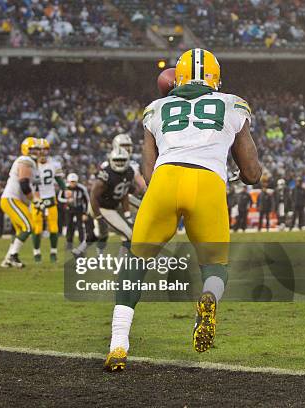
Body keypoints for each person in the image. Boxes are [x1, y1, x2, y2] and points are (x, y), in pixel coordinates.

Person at [105, 48, 262, 372]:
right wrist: (240, 173)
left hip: (165, 179)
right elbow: (251, 171)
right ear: (215, 77)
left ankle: (118, 345)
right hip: (207, 183)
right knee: (215, 266)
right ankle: (208, 299)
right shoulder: (232, 103)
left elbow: (147, 174)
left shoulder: (156, 108)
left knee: (135, 262)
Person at [0, 137, 40, 268]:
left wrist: (37, 200)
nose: (36, 152)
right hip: (12, 198)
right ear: (25, 149)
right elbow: (24, 184)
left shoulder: (33, 163)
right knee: (28, 226)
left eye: (37, 149)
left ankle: (7, 260)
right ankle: (13, 256)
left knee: (20, 231)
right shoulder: (25, 160)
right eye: (32, 149)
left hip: (16, 200)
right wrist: (34, 200)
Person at [89, 147, 135, 255]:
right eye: (117, 160)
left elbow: (124, 194)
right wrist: (99, 217)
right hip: (101, 207)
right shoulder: (107, 174)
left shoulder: (129, 172)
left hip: (113, 206)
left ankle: (81, 251)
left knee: (102, 234)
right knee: (128, 234)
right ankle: (122, 263)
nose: (119, 163)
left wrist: (127, 214)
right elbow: (93, 196)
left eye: (122, 160)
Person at [31, 138, 65, 262]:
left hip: (50, 197)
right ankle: (36, 253)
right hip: (36, 199)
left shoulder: (55, 164)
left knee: (54, 227)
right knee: (37, 228)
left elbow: (60, 180)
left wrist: (66, 190)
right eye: (40, 149)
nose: (42, 152)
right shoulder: (31, 164)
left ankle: (53, 253)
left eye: (45, 149)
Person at [57, 172, 89, 257]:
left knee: (80, 227)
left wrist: (85, 213)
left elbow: (87, 201)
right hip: (69, 209)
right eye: (71, 182)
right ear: (68, 181)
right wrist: (67, 201)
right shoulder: (64, 188)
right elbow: (59, 199)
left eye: (74, 182)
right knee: (69, 226)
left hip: (79, 209)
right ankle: (69, 243)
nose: (73, 183)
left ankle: (82, 244)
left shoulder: (82, 189)